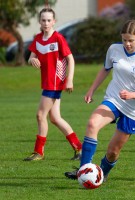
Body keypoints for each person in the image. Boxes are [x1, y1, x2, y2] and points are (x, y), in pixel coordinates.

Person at [64, 20, 135, 181]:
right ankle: (83, 170)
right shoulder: (114, 49)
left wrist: (132, 95)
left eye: (131, 40)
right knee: (92, 124)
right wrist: (92, 89)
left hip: (133, 108)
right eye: (124, 40)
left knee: (113, 152)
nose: (127, 44)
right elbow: (105, 69)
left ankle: (102, 173)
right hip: (114, 99)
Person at [23, 8, 82, 161]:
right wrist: (32, 60)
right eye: (43, 20)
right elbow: (31, 57)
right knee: (55, 118)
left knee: (40, 115)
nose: (46, 23)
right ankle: (79, 148)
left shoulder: (58, 38)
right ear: (39, 22)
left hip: (55, 83)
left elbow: (71, 59)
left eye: (49, 20)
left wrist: (70, 79)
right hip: (47, 83)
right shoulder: (37, 39)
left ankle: (39, 152)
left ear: (54, 21)